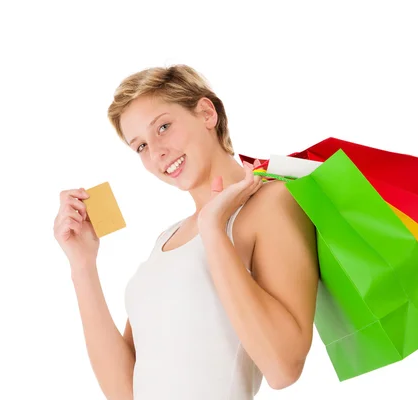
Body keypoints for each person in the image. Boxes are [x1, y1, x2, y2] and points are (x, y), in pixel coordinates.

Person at [53, 64, 319, 400]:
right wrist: (82, 264)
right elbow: (125, 393)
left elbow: (283, 368)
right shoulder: (166, 239)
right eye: (141, 147)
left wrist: (213, 229)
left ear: (207, 113)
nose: (157, 153)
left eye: (163, 127)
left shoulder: (272, 203)